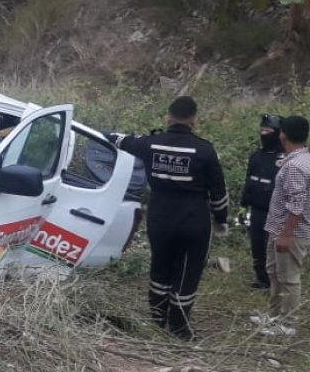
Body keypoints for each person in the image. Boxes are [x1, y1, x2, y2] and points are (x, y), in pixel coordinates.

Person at [111, 95, 229, 340]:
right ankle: (179, 327)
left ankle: (158, 317)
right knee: (188, 271)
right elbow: (218, 192)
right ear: (194, 120)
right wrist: (221, 219)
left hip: (160, 216)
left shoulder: (150, 144)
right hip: (194, 219)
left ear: (168, 117)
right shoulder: (205, 150)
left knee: (161, 264)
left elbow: (118, 140)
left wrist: (107, 135)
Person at [253, 115, 310, 336]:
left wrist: (286, 235)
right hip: (278, 228)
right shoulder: (298, 159)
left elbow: (297, 204)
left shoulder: (296, 165)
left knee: (288, 277)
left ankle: (288, 324)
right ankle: (274, 315)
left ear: (283, 134)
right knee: (275, 272)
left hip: (291, 232)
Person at [240, 114, 285, 289]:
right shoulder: (257, 156)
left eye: (268, 131)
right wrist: (243, 205)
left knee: (272, 247)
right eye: (262, 130)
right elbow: (249, 181)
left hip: (276, 211)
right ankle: (261, 279)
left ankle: (275, 282)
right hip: (257, 209)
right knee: (257, 245)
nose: (264, 133)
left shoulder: (286, 158)